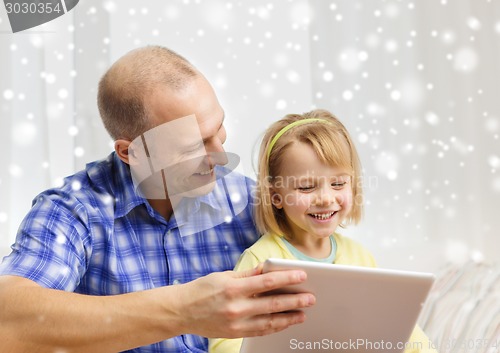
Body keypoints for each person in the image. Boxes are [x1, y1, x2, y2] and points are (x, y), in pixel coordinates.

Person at [0, 46, 316, 353]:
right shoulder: (73, 210)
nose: (220, 157)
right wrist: (185, 310)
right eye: (194, 147)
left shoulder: (253, 203)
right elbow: (7, 323)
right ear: (131, 152)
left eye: (219, 129)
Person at [209, 109, 438, 353]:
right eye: (307, 187)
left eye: (338, 184)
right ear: (276, 196)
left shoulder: (360, 258)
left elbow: (397, 326)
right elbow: (225, 342)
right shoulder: (260, 261)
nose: (326, 199)